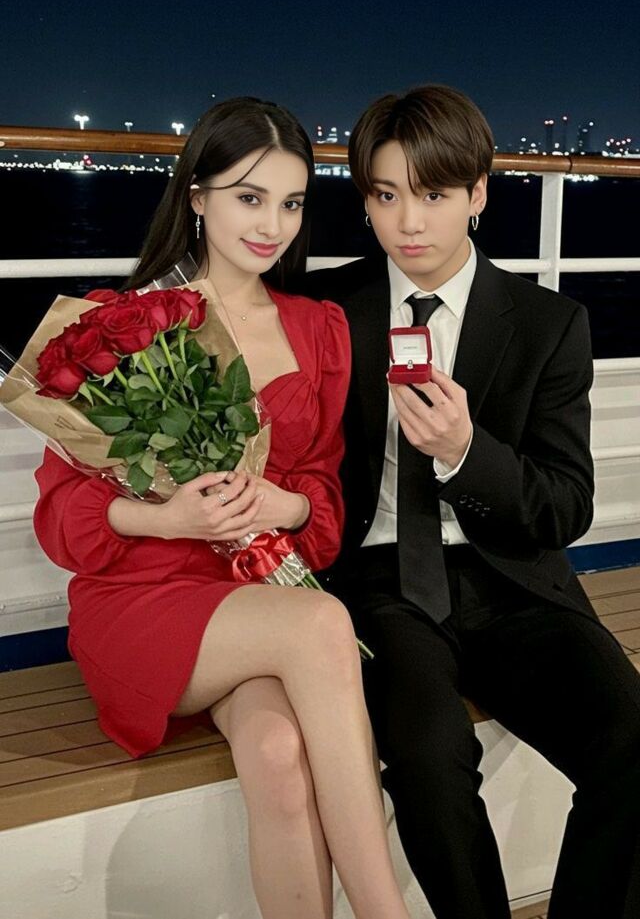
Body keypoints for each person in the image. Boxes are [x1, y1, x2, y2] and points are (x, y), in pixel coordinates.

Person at [33, 97, 413, 919]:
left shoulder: (320, 329)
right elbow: (61, 517)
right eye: (249, 196)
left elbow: (325, 500)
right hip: (142, 598)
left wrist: (283, 501)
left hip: (258, 594)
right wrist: (166, 518)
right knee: (323, 624)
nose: (272, 224)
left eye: (292, 201)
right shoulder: (119, 325)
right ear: (198, 196)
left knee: (277, 753)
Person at [304, 84, 640, 919]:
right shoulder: (325, 313)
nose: (408, 222)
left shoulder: (549, 323)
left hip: (513, 578)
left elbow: (565, 506)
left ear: (478, 193)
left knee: (633, 735)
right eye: (386, 195)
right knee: (427, 755)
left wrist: (465, 452)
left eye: (433, 194)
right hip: (381, 584)